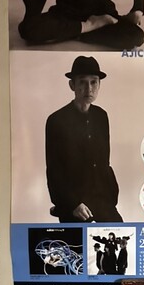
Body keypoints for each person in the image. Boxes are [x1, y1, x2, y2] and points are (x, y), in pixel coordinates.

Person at [45, 55, 122, 223]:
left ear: (99, 85)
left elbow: (104, 161)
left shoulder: (101, 116)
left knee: (122, 235)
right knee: (77, 240)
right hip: (74, 204)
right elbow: (54, 169)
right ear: (72, 85)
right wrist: (73, 204)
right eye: (82, 82)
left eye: (94, 82)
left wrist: (111, 196)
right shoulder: (56, 120)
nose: (89, 89)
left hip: (102, 199)